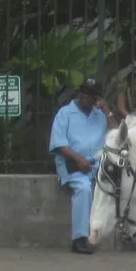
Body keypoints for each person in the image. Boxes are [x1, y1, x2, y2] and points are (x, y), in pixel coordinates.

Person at [48, 77, 109, 255]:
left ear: (97, 99)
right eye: (83, 92)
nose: (85, 96)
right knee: (84, 189)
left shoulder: (100, 115)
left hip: (97, 165)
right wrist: (79, 159)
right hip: (72, 163)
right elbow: (59, 144)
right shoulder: (65, 113)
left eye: (91, 95)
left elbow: (117, 134)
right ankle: (79, 239)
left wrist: (107, 112)